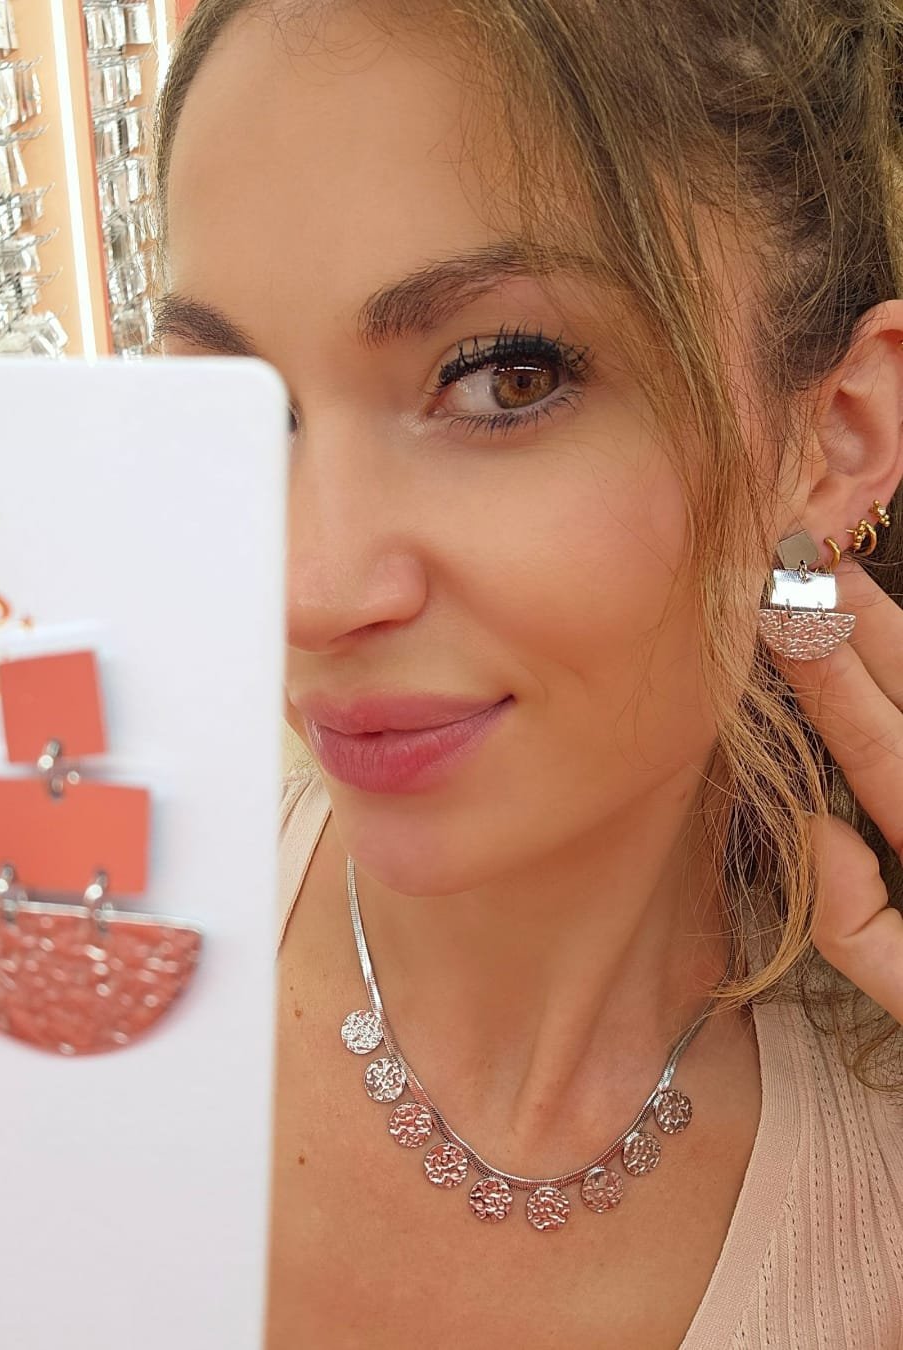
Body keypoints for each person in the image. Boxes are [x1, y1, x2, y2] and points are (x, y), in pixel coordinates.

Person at [153, 1, 903, 1344]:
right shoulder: (66, 941)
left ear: (835, 437)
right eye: (239, 411)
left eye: (503, 377)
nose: (304, 590)